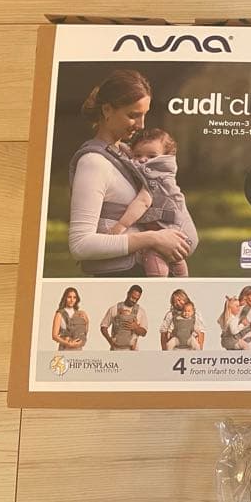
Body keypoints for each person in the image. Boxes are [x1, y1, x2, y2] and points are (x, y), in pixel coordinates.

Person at [68, 70, 190, 276]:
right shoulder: (93, 163)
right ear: (107, 110)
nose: (142, 125)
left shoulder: (128, 156)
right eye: (133, 115)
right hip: (117, 280)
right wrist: (152, 238)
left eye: (144, 115)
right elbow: (80, 245)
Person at [107, 127, 198, 277]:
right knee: (173, 260)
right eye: (138, 155)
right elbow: (130, 156)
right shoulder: (160, 171)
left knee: (152, 254)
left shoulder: (155, 177)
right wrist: (120, 147)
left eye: (151, 156)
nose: (143, 159)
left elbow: (142, 202)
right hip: (183, 234)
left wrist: (121, 226)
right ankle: (181, 280)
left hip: (178, 235)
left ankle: (156, 282)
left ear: (165, 157)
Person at [100, 285, 148, 350]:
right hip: (116, 350)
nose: (134, 301)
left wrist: (136, 328)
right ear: (128, 293)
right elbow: (103, 326)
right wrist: (110, 341)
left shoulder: (141, 311)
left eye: (137, 299)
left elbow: (144, 333)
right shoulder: (114, 308)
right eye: (133, 297)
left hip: (132, 350)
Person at [51, 287, 89, 351]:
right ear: (65, 298)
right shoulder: (59, 314)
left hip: (78, 349)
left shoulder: (79, 313)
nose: (72, 300)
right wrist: (68, 344)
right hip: (65, 348)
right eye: (69, 297)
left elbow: (84, 333)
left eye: (74, 297)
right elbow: (54, 336)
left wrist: (87, 322)